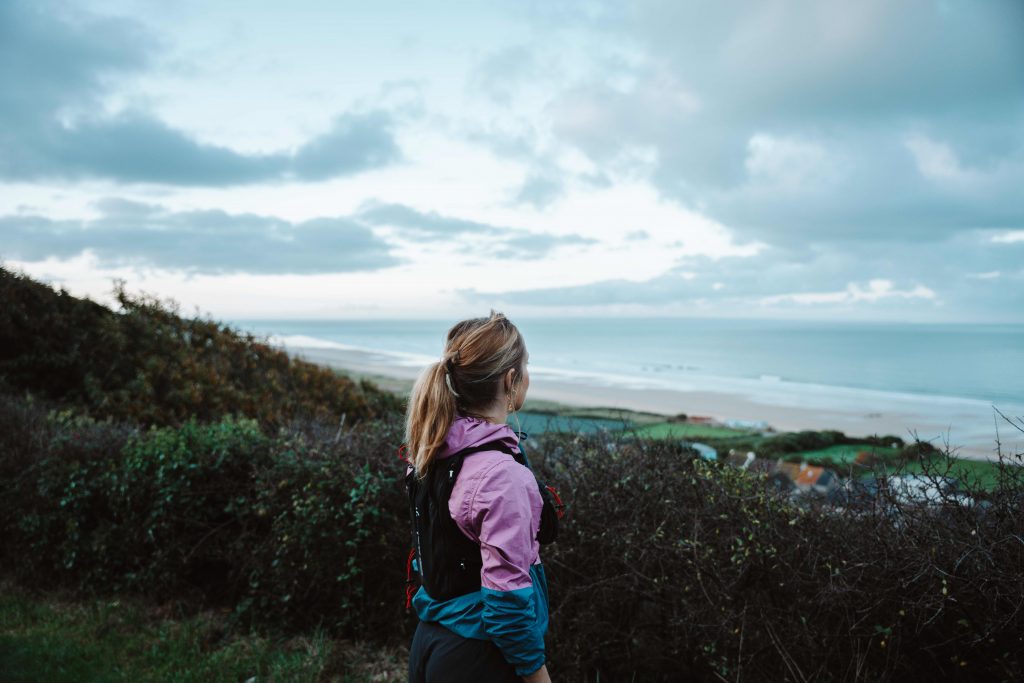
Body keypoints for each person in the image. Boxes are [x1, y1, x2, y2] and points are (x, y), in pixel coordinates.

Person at [405, 312, 552, 683]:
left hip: (430, 639)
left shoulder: (432, 449)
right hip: (478, 656)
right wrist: (538, 676)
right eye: (526, 366)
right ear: (510, 380)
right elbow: (506, 606)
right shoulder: (501, 477)